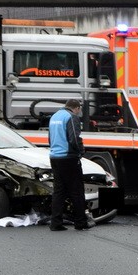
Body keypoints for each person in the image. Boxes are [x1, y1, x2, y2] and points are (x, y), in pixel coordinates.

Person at [48, 99, 93, 231]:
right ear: (77, 108)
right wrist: (80, 152)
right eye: (79, 110)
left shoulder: (54, 116)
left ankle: (55, 223)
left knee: (59, 192)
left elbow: (50, 138)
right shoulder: (71, 117)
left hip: (55, 157)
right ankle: (80, 223)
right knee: (77, 191)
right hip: (68, 157)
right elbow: (74, 138)